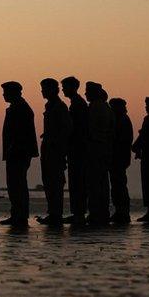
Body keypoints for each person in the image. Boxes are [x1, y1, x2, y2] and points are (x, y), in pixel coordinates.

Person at [0, 81, 38, 227]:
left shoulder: (20, 108)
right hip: (16, 151)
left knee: (17, 184)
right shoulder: (18, 107)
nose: (3, 95)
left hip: (18, 152)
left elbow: (19, 133)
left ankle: (20, 215)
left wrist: (13, 147)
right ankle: (17, 214)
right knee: (16, 184)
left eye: (6, 92)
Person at [35, 78, 71, 227]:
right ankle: (53, 212)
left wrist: (57, 145)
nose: (42, 91)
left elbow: (65, 130)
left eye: (44, 88)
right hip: (50, 149)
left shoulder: (59, 107)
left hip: (55, 151)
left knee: (54, 182)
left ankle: (55, 214)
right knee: (49, 182)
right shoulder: (52, 106)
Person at [85, 82, 113, 226]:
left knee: (96, 182)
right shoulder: (104, 106)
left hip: (96, 147)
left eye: (87, 91)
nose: (85, 94)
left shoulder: (96, 107)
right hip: (102, 147)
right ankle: (101, 212)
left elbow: (91, 128)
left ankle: (97, 212)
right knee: (101, 181)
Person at [61, 76, 88, 225]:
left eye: (65, 87)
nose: (63, 90)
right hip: (77, 148)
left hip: (77, 149)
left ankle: (79, 213)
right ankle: (78, 212)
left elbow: (75, 129)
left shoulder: (77, 104)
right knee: (76, 181)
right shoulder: (77, 103)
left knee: (77, 182)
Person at [109, 98, 133, 224]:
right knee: (118, 185)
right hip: (120, 158)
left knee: (119, 185)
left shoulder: (121, 120)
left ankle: (122, 212)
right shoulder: (123, 119)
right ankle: (121, 211)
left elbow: (119, 140)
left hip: (118, 158)